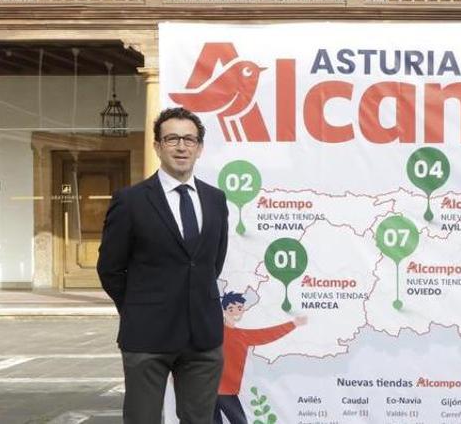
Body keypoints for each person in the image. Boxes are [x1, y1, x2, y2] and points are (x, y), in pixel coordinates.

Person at [98, 107, 231, 424]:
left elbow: (212, 261)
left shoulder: (215, 199)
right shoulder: (131, 201)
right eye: (172, 138)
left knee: (199, 420)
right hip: (147, 335)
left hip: (202, 336)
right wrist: (137, 307)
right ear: (157, 146)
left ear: (199, 147)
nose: (181, 146)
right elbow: (110, 269)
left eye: (189, 139)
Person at [215, 291, 308, 424]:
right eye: (231, 308)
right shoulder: (217, 332)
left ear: (243, 310)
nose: (235, 312)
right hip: (217, 386)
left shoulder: (241, 335)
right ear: (224, 310)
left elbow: (266, 335)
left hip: (220, 387)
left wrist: (293, 324)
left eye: (239, 308)